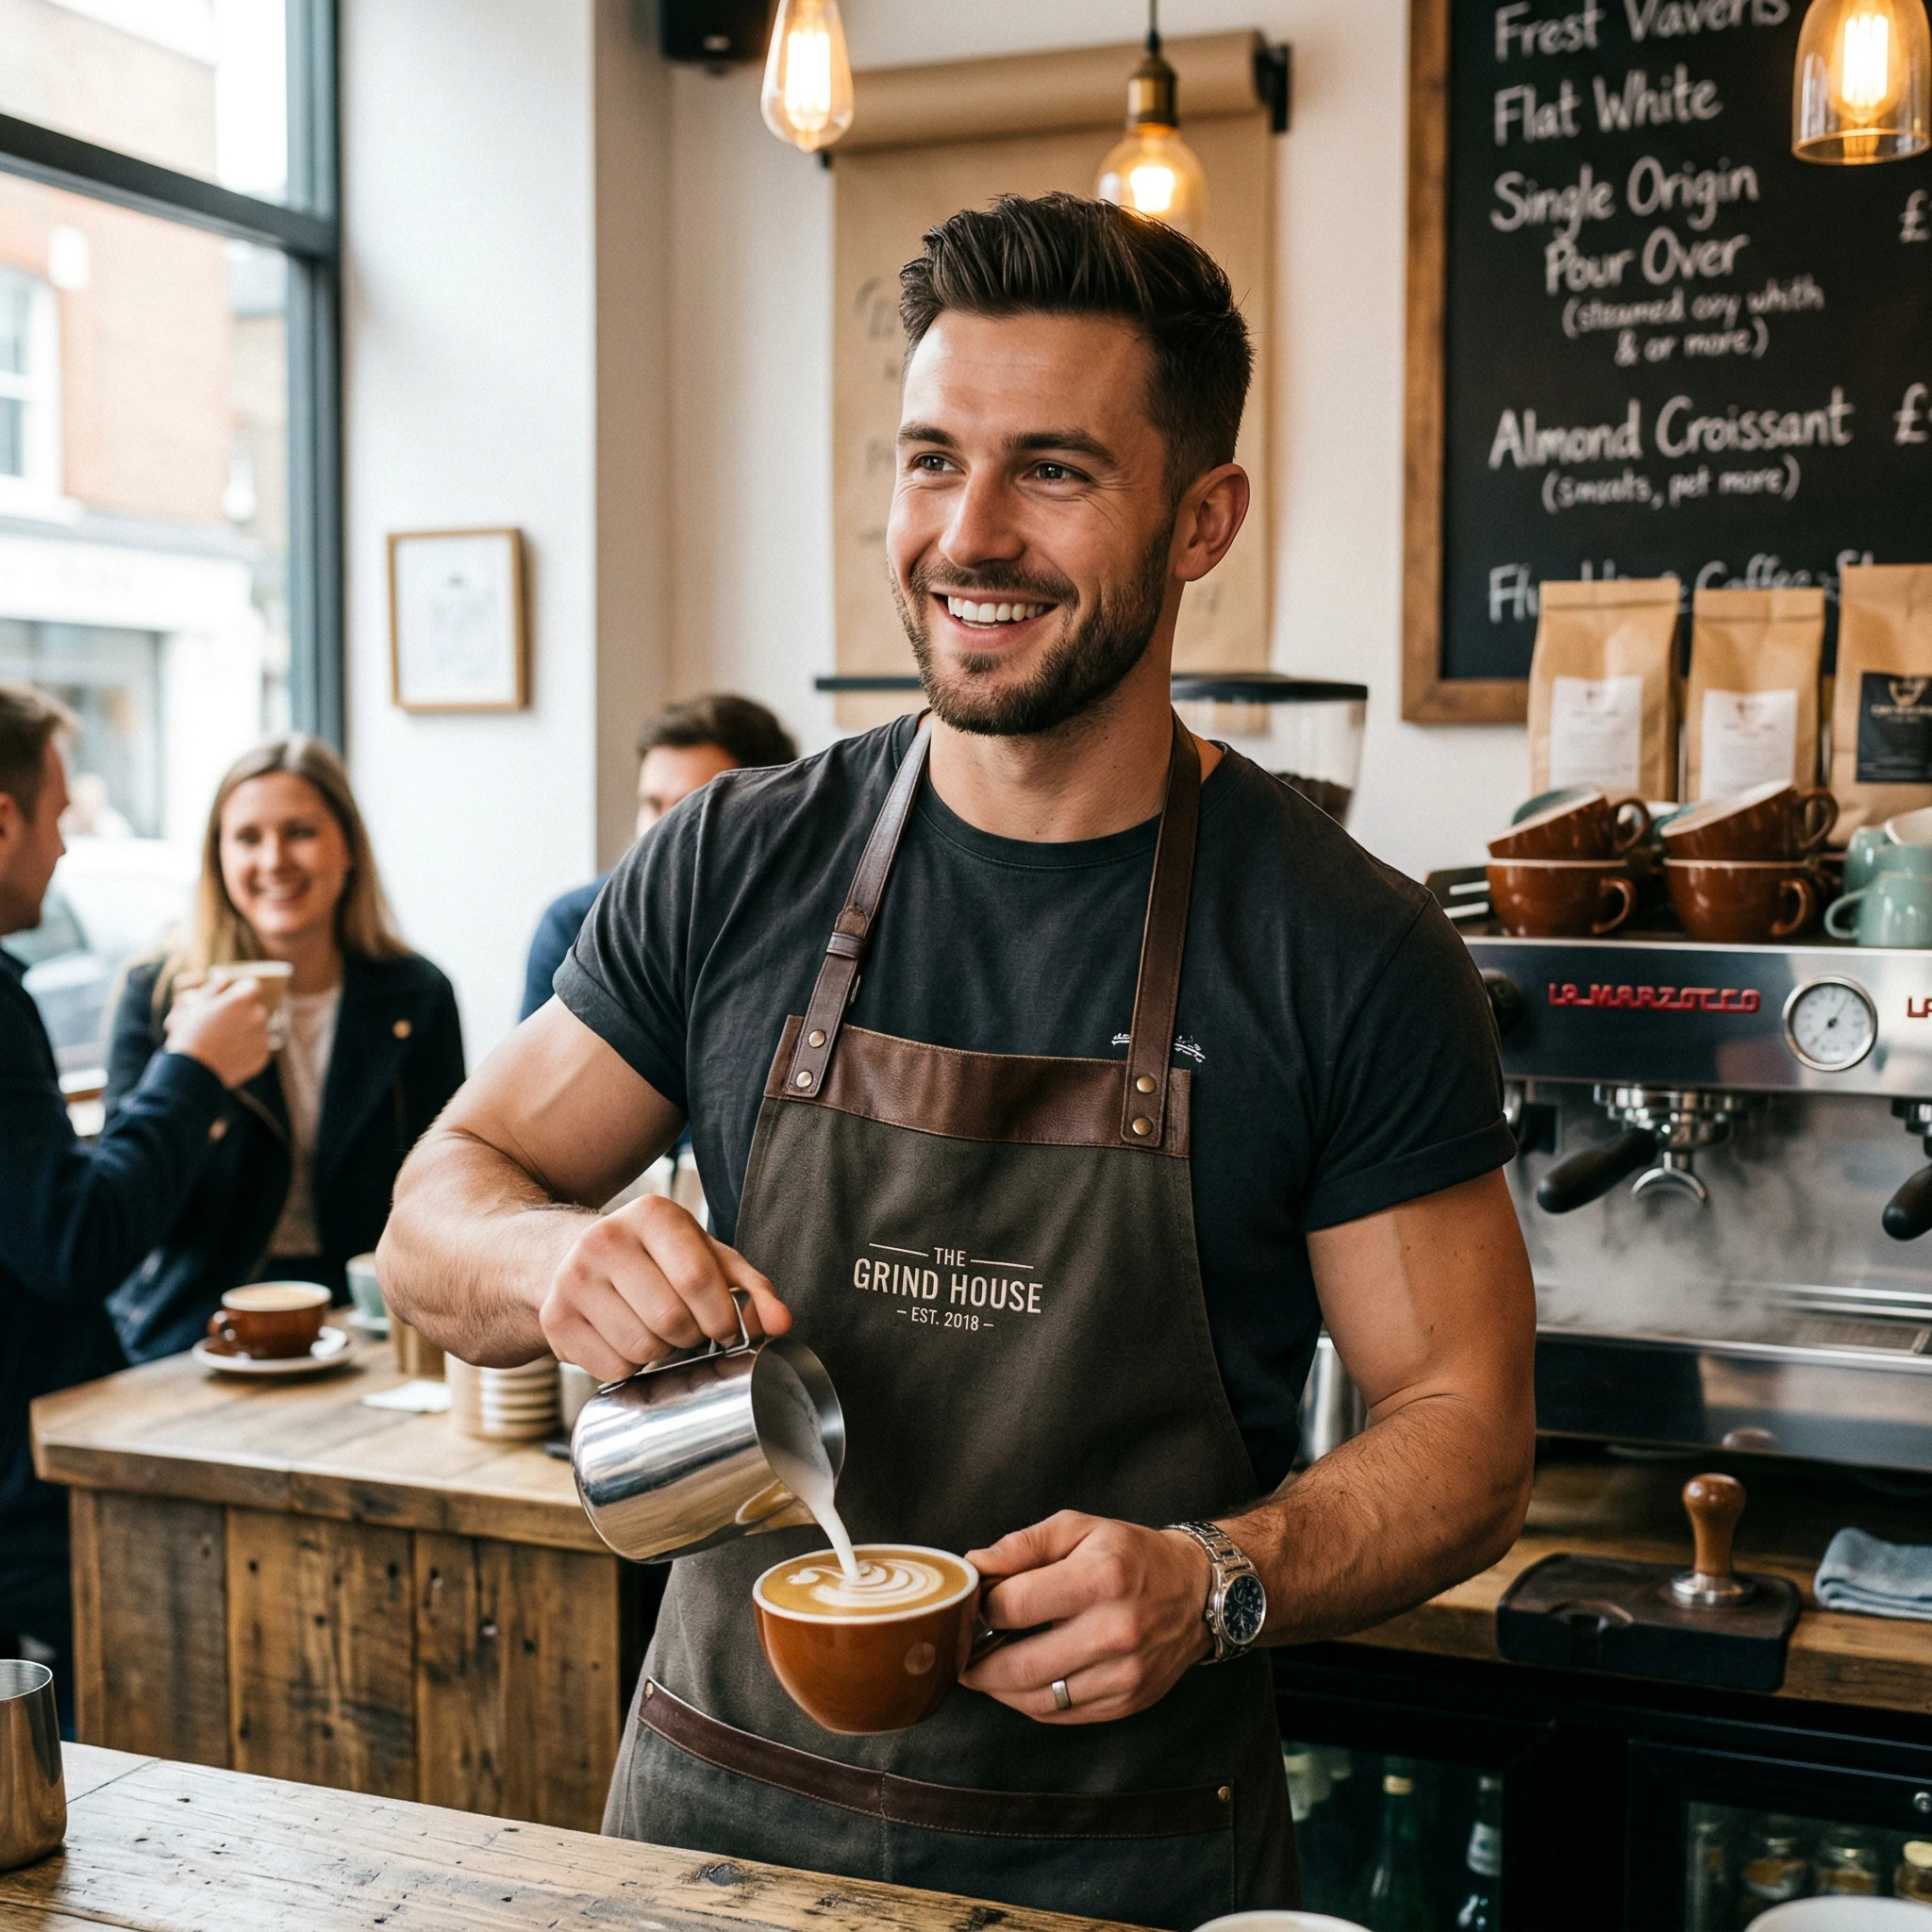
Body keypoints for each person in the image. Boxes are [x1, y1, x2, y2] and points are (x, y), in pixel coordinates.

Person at [379, 194, 1536, 1928]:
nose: (966, 534)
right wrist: (556, 1258)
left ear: (1200, 516)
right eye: (932, 462)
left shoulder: (1342, 945)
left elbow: (1465, 1427)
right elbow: (434, 1209)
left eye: (1052, 470)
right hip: (710, 1829)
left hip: (1119, 1853)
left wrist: (1221, 1576)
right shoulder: (729, 863)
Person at [0, 684, 273, 1722]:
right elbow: (73, 1241)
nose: (67, 850)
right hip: (28, 1472)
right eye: (62, 817)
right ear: (4, 816)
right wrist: (193, 1069)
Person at [105, 736, 465, 1363]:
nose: (274, 860)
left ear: (348, 847)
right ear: (218, 857)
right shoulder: (159, 993)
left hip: (367, 1326)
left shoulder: (416, 995)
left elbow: (449, 1185)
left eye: (300, 832)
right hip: (198, 1326)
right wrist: (192, 1071)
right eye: (247, 838)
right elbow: (128, 1216)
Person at [520, 695, 797, 1021]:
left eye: (691, 808)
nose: (661, 830)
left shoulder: (803, 926)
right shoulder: (575, 923)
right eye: (652, 804)